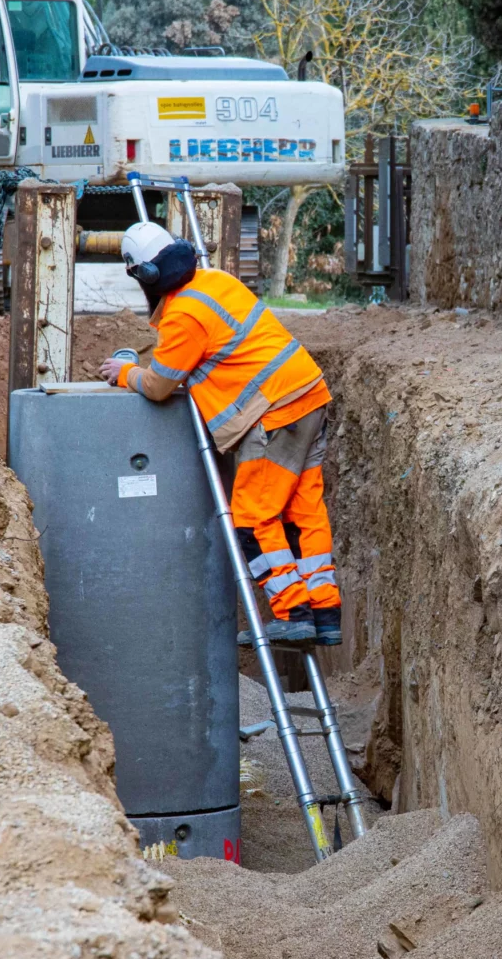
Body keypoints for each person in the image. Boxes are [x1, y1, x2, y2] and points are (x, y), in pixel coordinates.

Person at [100, 222, 342, 647]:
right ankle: (324, 612)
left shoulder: (183, 317)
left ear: (145, 276)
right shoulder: (217, 281)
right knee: (305, 512)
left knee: (252, 518)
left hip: (272, 412)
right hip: (307, 395)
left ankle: (292, 612)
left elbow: (158, 386)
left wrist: (125, 373)